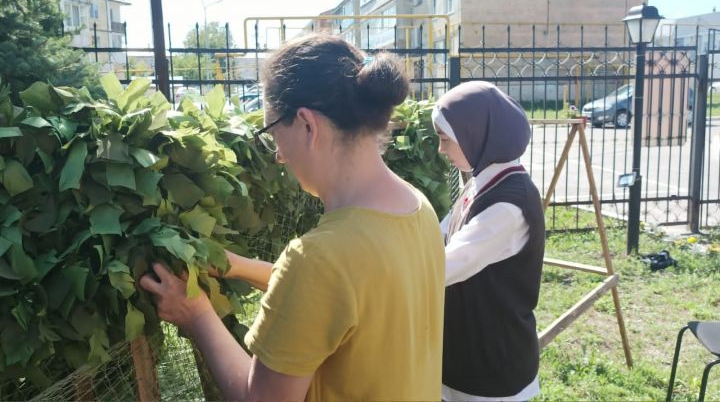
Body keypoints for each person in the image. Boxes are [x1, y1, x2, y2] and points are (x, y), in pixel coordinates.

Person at [139, 34, 446, 401]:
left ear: (306, 125)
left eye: (273, 134)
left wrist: (196, 314)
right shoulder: (417, 207)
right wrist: (237, 266)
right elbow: (340, 302)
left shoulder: (320, 259)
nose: (278, 156)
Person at [432, 81, 545, 401]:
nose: (441, 150)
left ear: (475, 134)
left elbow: (445, 266)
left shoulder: (507, 205)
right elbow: (438, 233)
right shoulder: (484, 183)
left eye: (445, 140)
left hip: (492, 363)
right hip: (469, 352)